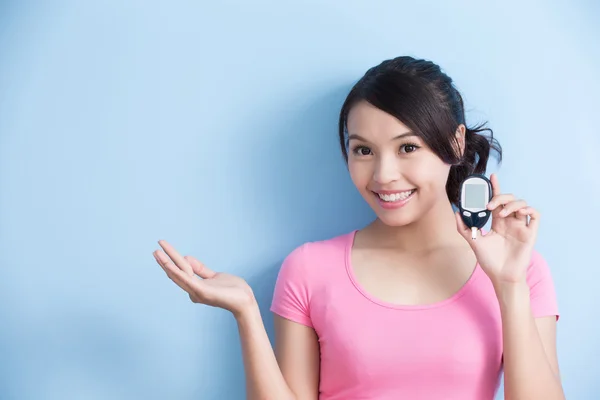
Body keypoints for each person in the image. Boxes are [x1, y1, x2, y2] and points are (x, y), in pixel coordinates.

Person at [152, 56, 564, 400]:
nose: (384, 175)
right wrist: (246, 311)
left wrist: (509, 287)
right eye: (363, 150)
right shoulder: (309, 270)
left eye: (408, 147)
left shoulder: (522, 271)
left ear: (456, 143)